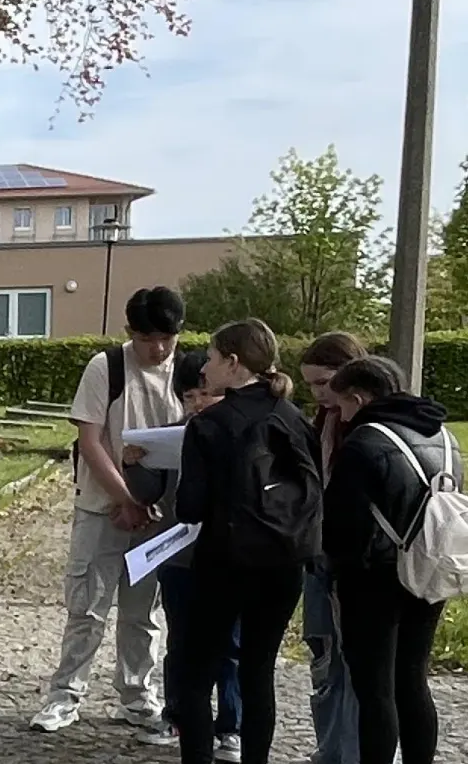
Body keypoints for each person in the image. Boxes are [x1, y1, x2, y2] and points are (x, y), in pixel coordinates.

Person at [30, 287, 185, 734]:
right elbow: (91, 440)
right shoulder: (108, 367)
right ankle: (66, 694)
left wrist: (148, 504)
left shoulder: (187, 370)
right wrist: (123, 499)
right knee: (87, 607)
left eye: (166, 338)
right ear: (130, 333)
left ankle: (137, 696)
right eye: (146, 338)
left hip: (160, 513)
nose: (156, 349)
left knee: (143, 614)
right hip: (102, 507)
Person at [173, 319, 322, 764]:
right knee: (259, 672)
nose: (206, 368)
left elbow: (191, 508)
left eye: (214, 358)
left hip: (225, 561)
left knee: (195, 674)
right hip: (284, 562)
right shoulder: (296, 419)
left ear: (233, 363)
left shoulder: (210, 424)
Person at [323, 355, 459, 764]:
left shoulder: (364, 443)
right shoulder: (444, 437)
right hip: (431, 567)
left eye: (342, 405)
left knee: (376, 691)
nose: (340, 414)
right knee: (413, 679)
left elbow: (343, 526)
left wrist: (335, 573)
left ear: (359, 398)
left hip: (373, 580)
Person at [125, 350, 243, 762]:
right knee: (181, 641)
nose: (196, 405)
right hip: (179, 555)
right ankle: (177, 715)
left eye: (204, 395)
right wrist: (134, 464)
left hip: (228, 554)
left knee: (230, 645)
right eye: (189, 396)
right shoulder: (174, 432)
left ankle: (231, 726)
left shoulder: (238, 433)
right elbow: (148, 491)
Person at [298, 332, 368, 764]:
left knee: (359, 664)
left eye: (325, 383)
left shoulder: (364, 428)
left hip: (352, 559)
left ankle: (355, 751)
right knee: (323, 656)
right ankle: (329, 749)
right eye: (310, 386)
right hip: (317, 552)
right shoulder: (322, 421)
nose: (319, 395)